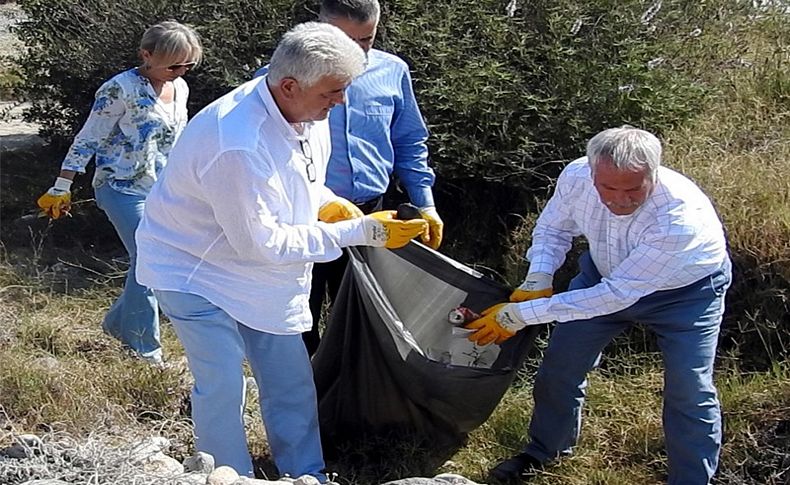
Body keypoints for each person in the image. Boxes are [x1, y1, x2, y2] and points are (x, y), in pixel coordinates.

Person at [134, 22, 428, 481]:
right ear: (289, 84)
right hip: (191, 267)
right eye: (333, 92)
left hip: (258, 269)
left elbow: (301, 182)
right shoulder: (236, 142)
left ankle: (306, 473)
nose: (341, 101)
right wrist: (360, 232)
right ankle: (228, 475)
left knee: (290, 378)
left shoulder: (306, 109)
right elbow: (263, 243)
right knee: (222, 381)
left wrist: (333, 206)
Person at [465, 126, 731, 484]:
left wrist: (518, 315)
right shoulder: (576, 176)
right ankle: (546, 453)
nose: (620, 200)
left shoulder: (678, 218)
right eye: (608, 187)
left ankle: (691, 479)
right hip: (602, 273)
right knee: (560, 368)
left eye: (634, 188)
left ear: (655, 173)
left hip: (685, 295)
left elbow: (616, 296)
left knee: (689, 387)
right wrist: (539, 278)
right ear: (592, 172)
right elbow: (554, 229)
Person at [255, 0, 443, 355]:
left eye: (366, 40)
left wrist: (425, 202)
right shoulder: (280, 81)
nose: (355, 51)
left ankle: (349, 399)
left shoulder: (393, 71)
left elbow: (409, 140)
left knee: (365, 320)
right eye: (344, 39)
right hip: (303, 216)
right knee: (298, 317)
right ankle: (303, 397)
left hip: (372, 215)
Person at [35, 21, 203, 365]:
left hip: (160, 190)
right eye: (173, 64)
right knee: (150, 259)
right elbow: (89, 138)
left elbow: (177, 141)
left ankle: (115, 325)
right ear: (146, 55)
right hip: (120, 187)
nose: (180, 71)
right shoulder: (118, 90)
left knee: (152, 260)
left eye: (187, 65)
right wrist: (61, 185)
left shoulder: (180, 88)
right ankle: (146, 352)